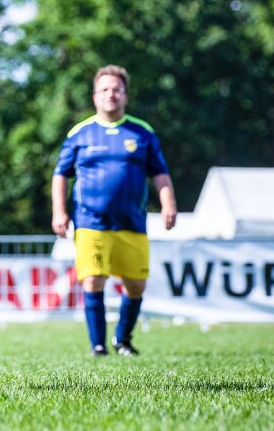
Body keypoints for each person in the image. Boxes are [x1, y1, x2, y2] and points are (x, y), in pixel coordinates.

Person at [51, 65, 176, 357]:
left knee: (135, 285)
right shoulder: (80, 133)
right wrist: (59, 211)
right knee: (93, 278)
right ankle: (98, 345)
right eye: (105, 89)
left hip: (132, 223)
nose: (111, 94)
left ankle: (123, 340)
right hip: (90, 221)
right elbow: (60, 174)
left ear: (125, 96)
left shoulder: (142, 132)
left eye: (116, 89)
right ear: (95, 96)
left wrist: (168, 203)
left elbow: (160, 173)